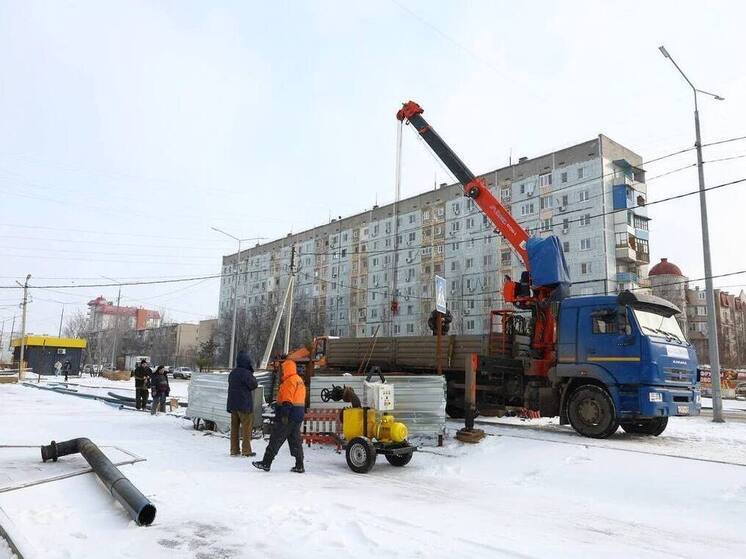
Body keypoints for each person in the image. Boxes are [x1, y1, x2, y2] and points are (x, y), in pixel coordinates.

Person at [253, 359, 306, 473]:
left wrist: (284, 415)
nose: (281, 372)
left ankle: (266, 463)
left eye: (283, 369)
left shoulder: (289, 381)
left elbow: (287, 399)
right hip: (298, 415)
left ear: (287, 369)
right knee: (295, 440)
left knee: (276, 438)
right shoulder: (299, 380)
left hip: (288, 415)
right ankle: (299, 464)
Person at [226, 350, 258, 457]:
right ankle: (246, 450)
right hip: (244, 405)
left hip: (233, 405)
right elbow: (254, 385)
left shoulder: (233, 373)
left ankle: (234, 450)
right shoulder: (246, 373)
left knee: (234, 428)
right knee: (246, 428)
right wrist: (251, 372)